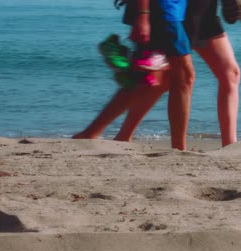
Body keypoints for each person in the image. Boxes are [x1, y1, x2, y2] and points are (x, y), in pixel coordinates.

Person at [74, 0, 241, 149]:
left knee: (160, 79)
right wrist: (142, 15)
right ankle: (176, 149)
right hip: (170, 11)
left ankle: (107, 135)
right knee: (168, 78)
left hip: (192, 11)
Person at [74, 0, 195, 150]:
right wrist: (143, 15)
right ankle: (178, 148)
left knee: (154, 78)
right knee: (183, 77)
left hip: (168, 11)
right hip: (162, 10)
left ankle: (100, 134)